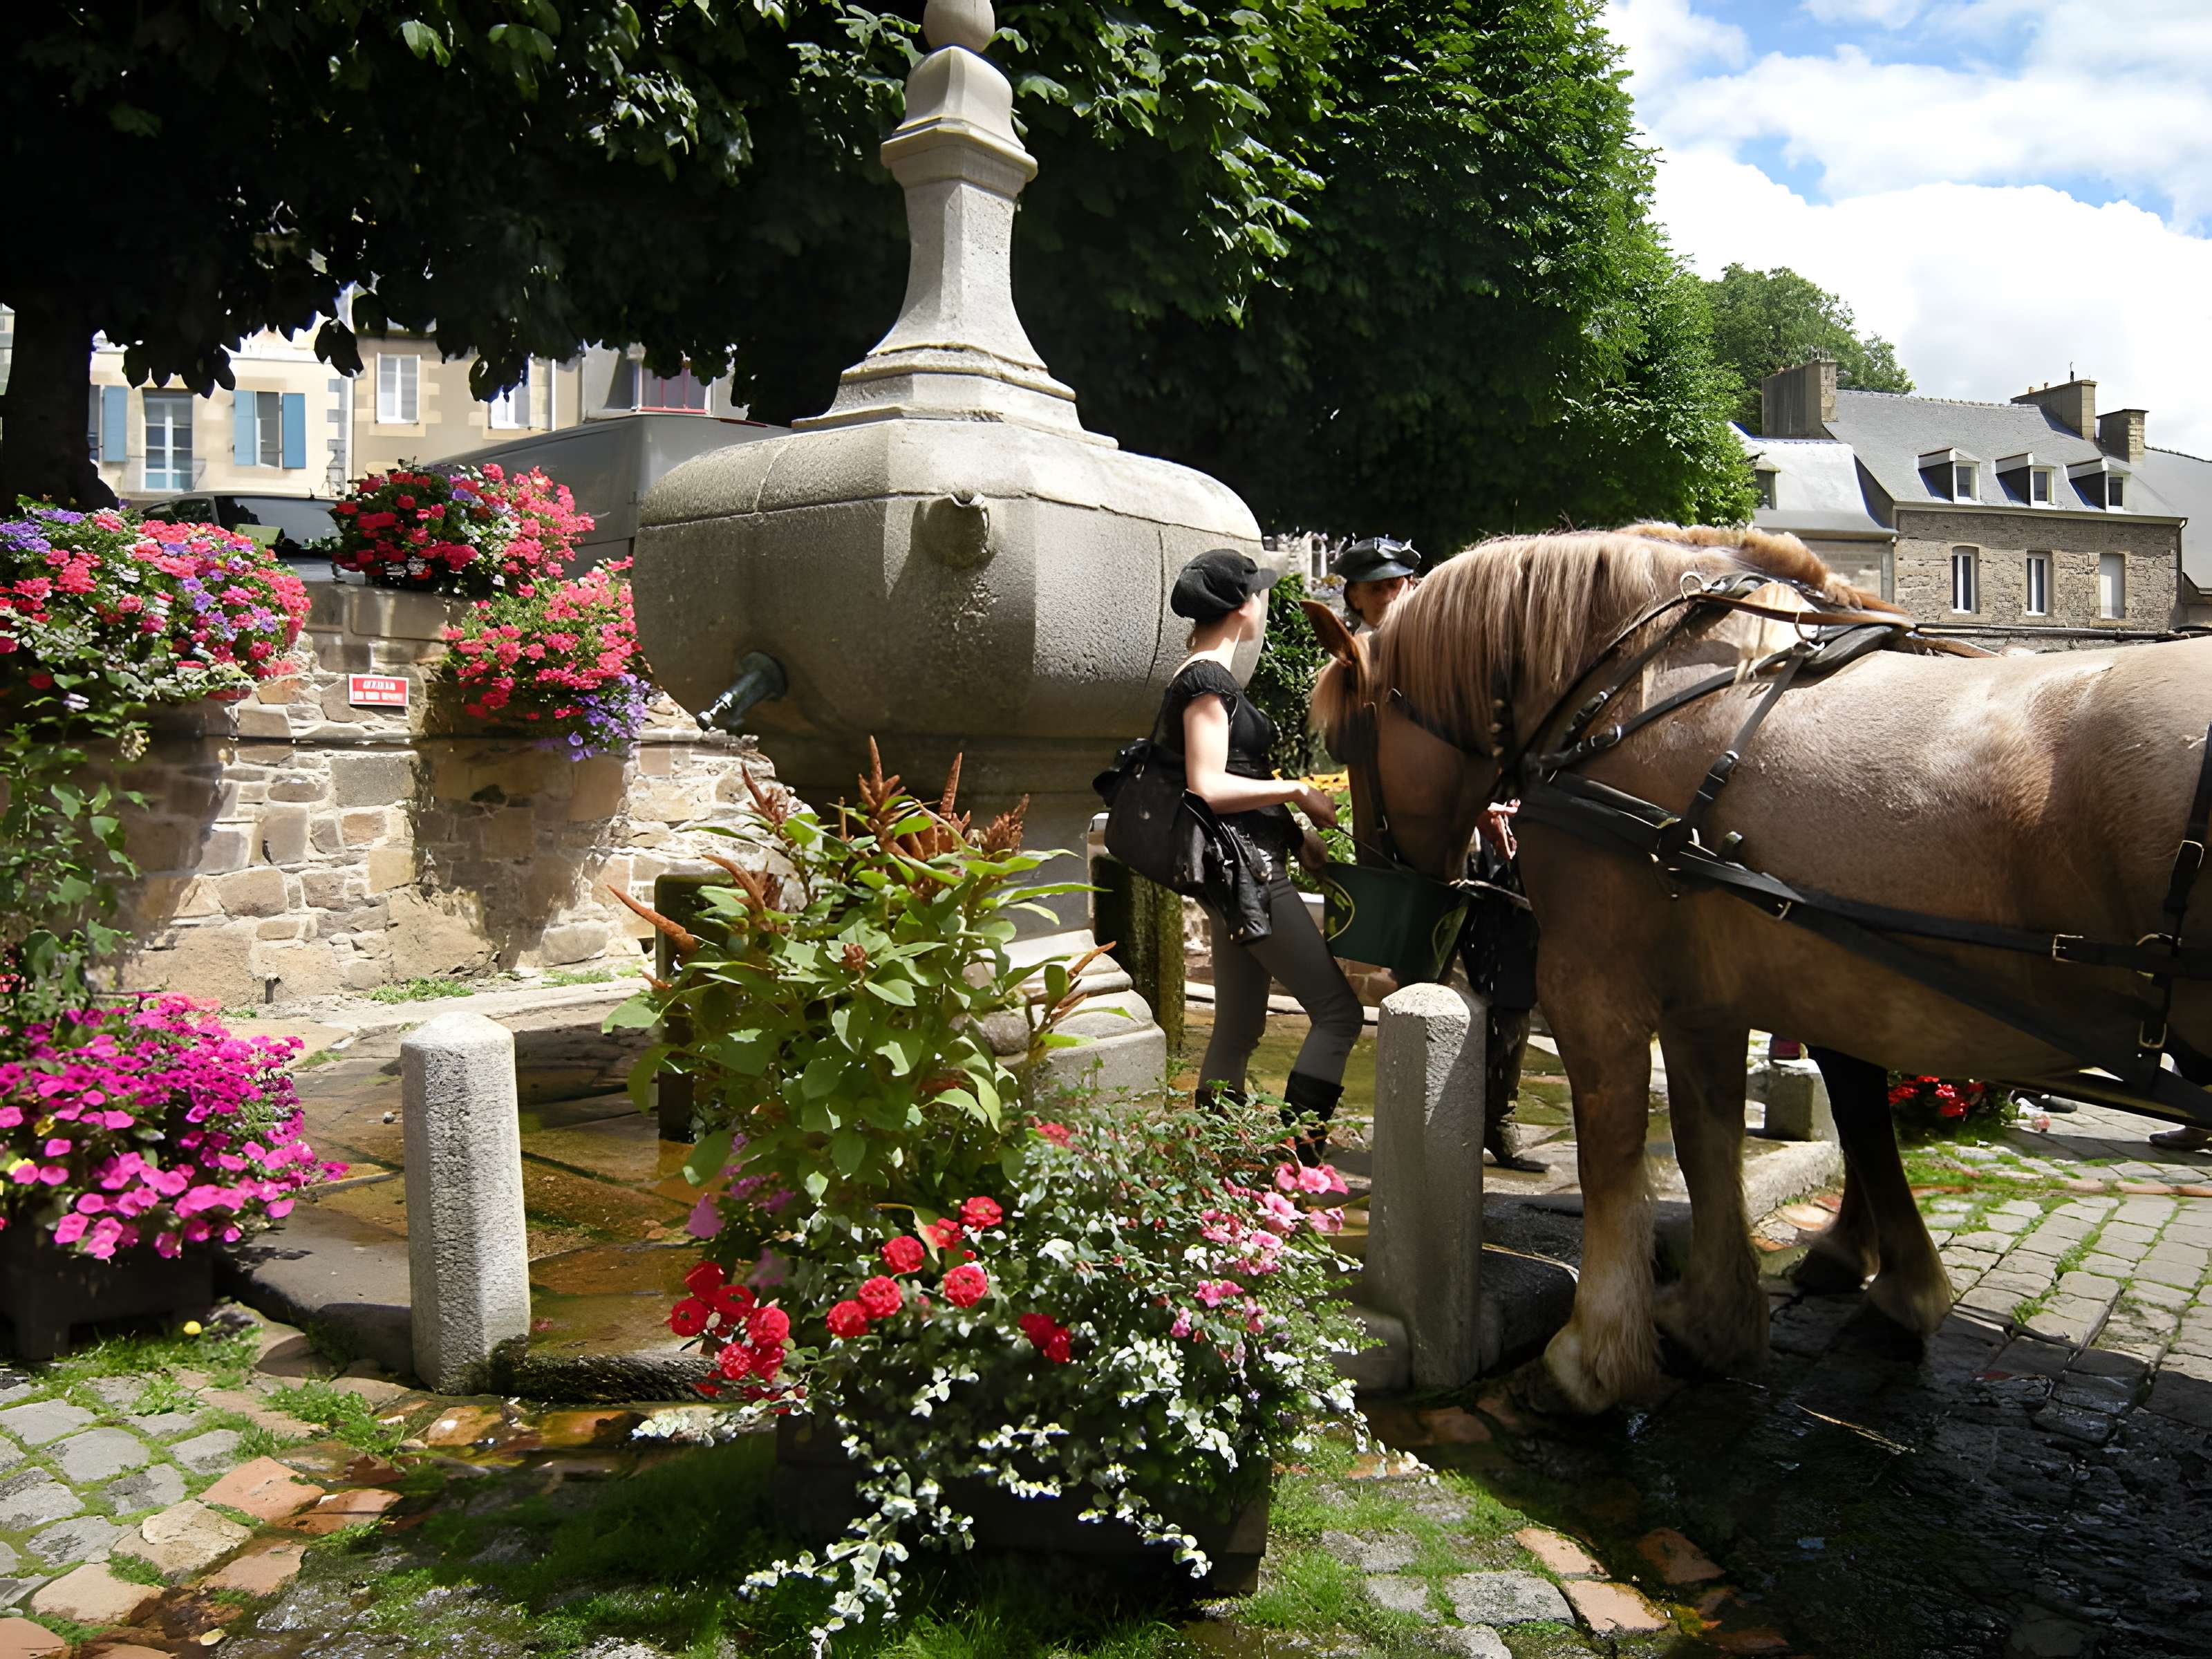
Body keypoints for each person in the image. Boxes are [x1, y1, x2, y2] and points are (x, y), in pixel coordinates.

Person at [1158, 549, 1364, 1160]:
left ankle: (1221, 1169)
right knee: (1339, 1015)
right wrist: (1300, 791)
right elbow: (1209, 786)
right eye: (1259, 594)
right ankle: (1298, 1163)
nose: (1263, 604)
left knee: (1240, 1029)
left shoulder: (1210, 678)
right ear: (1241, 606)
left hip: (1241, 871)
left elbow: (1237, 778)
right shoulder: (1204, 682)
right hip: (1250, 874)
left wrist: (1299, 836)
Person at [1332, 536, 1422, 634]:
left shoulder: (1425, 635)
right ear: (1355, 597)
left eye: (1393, 585)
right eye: (1375, 589)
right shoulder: (1362, 647)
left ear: (1410, 587)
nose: (1387, 598)